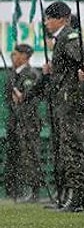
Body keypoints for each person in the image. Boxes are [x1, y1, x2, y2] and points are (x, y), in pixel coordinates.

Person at [44, 2, 84, 212]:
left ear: (62, 18)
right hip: (64, 101)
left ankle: (78, 197)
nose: (47, 23)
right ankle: (72, 194)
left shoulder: (69, 37)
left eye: (49, 18)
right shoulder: (61, 39)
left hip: (71, 101)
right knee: (67, 148)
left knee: (74, 147)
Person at [8, 43, 43, 202]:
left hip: (29, 121)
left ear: (24, 56)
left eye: (15, 54)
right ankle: (20, 189)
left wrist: (20, 95)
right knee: (21, 156)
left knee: (31, 155)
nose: (13, 57)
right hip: (17, 120)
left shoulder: (30, 74)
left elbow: (28, 97)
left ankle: (34, 190)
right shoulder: (13, 74)